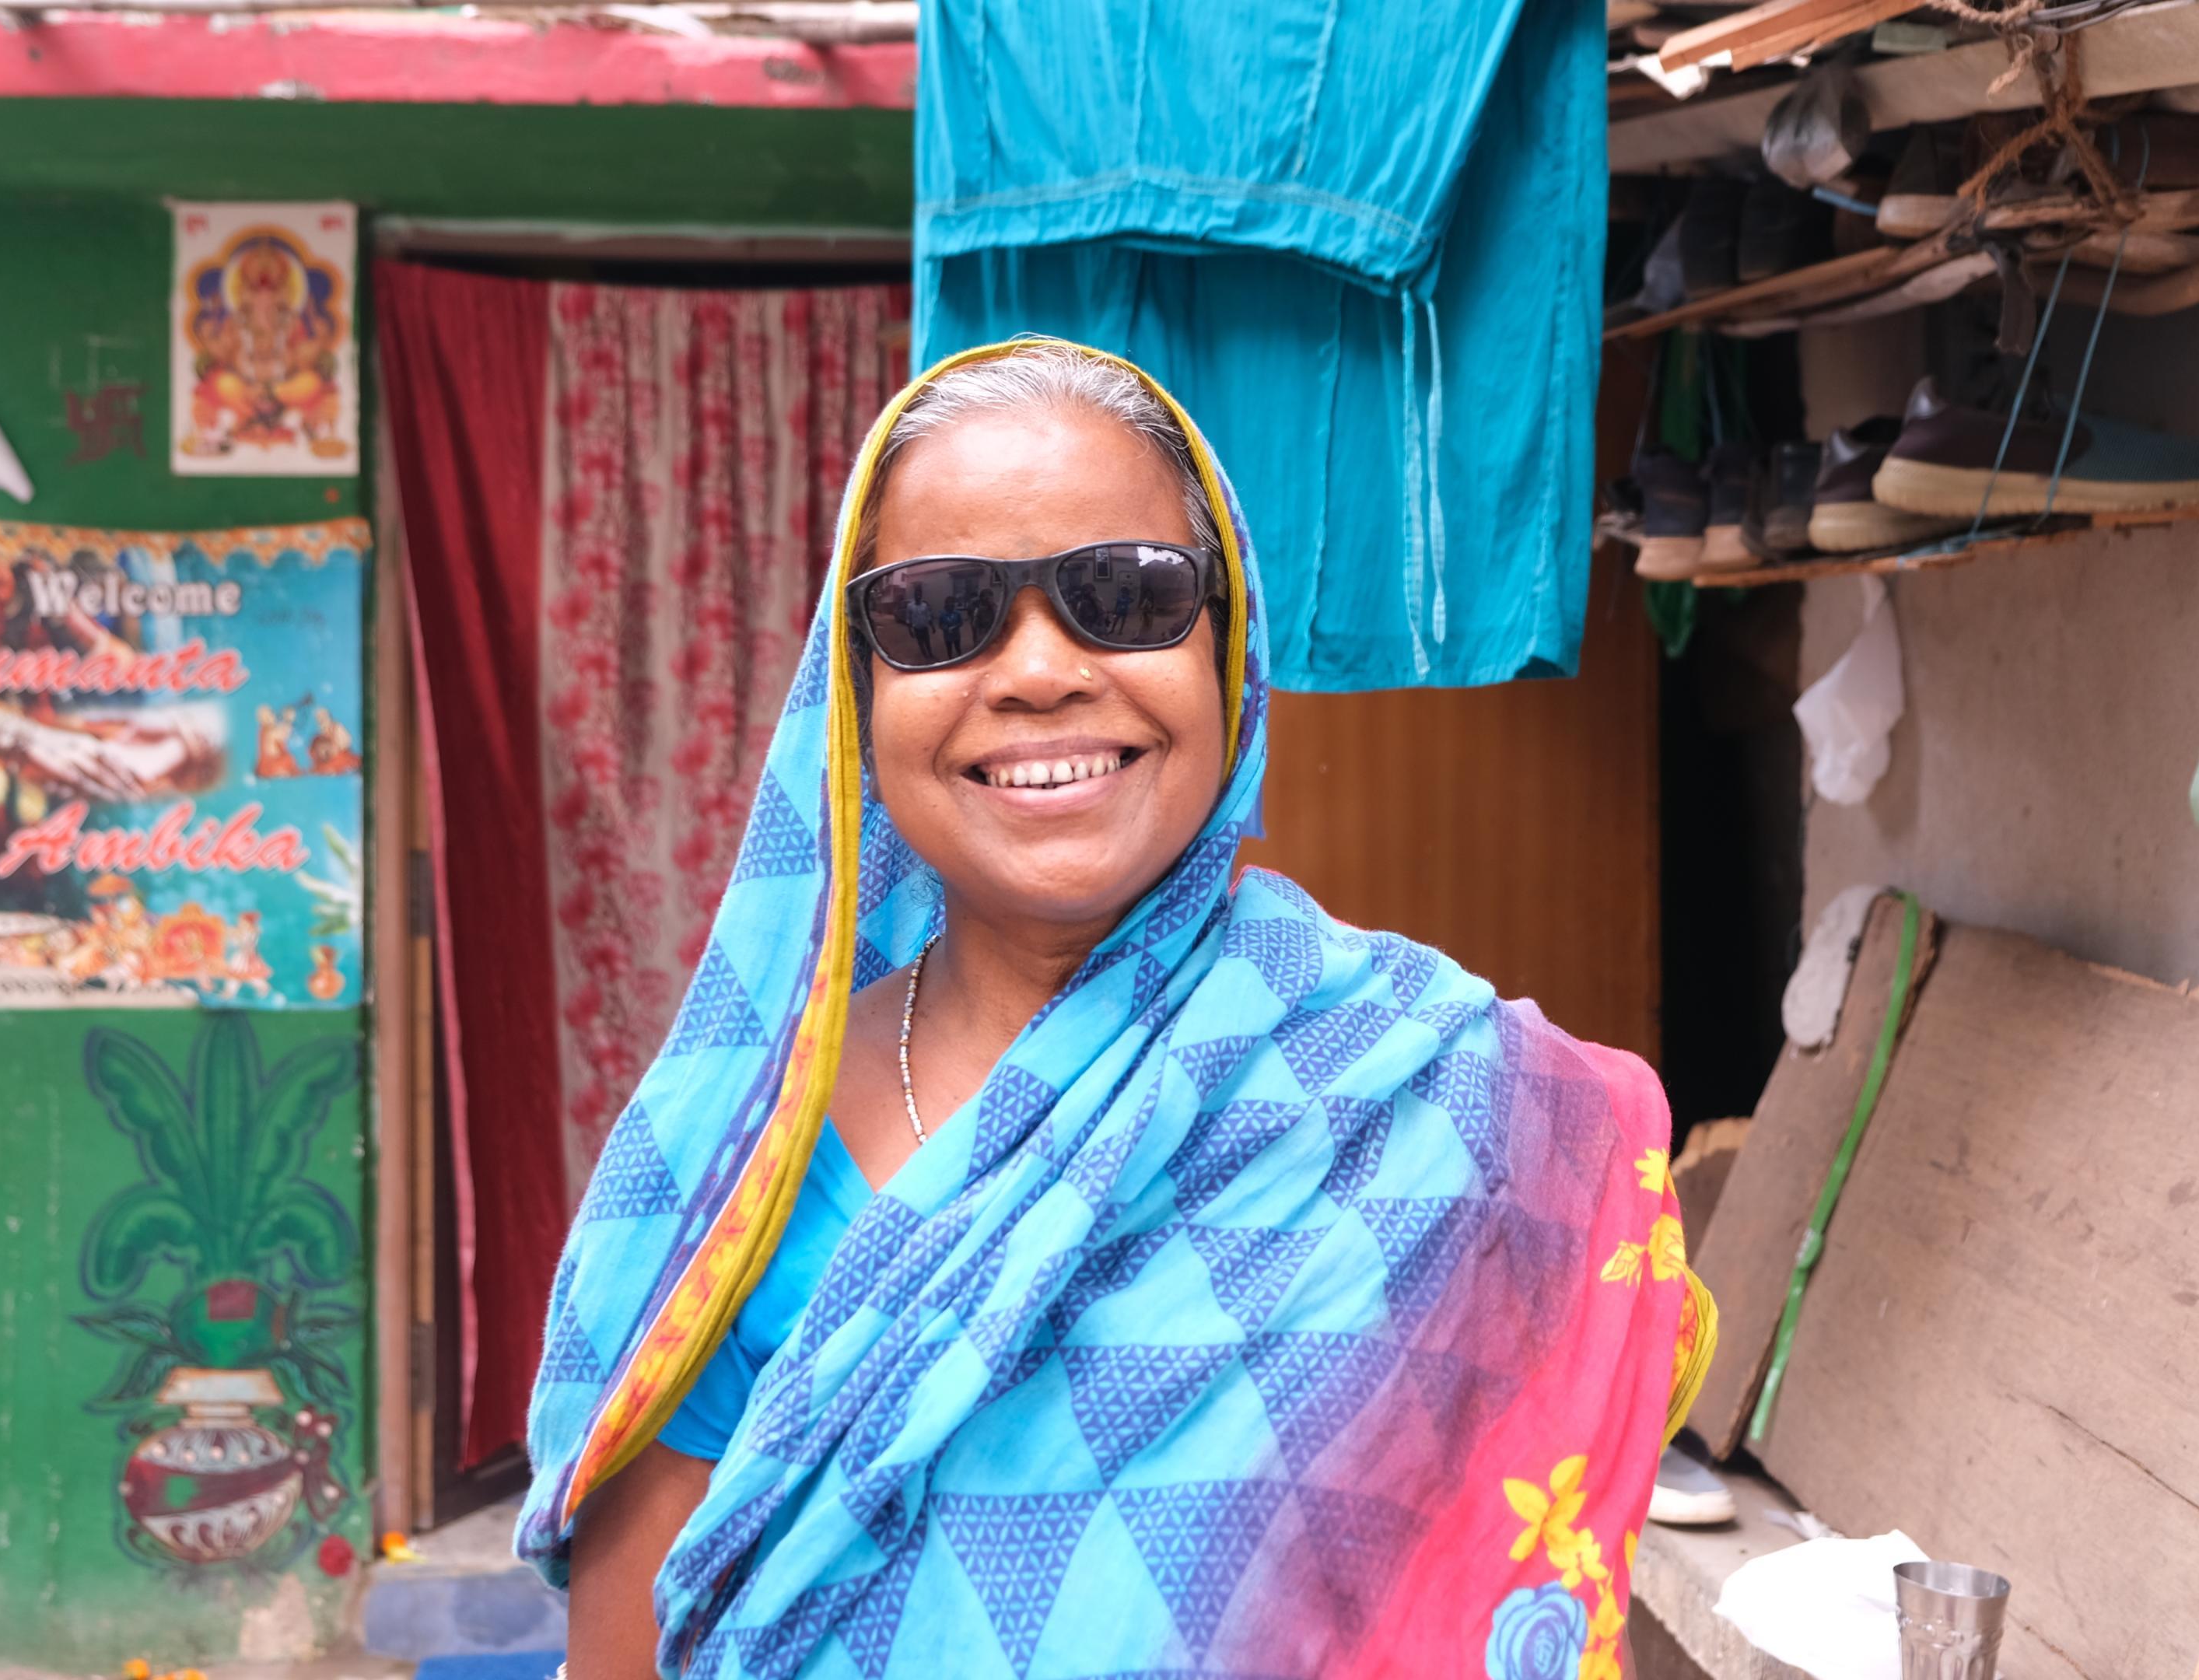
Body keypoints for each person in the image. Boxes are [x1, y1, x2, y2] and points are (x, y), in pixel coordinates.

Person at [522, 340, 1711, 1680]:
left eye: (1123, 596)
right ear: (856, 695)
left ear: (1231, 648)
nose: (1039, 673)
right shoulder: (722, 1168)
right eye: (939, 614)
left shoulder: (1452, 1104)